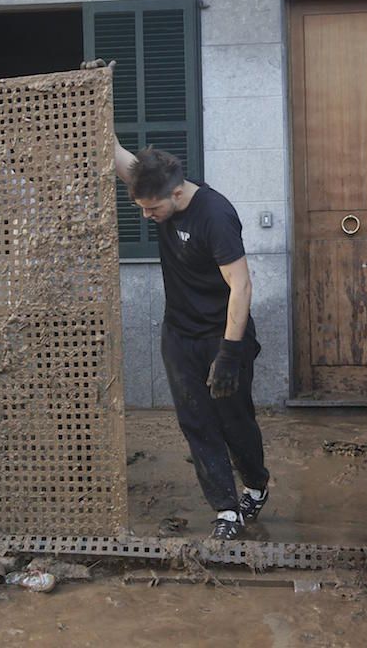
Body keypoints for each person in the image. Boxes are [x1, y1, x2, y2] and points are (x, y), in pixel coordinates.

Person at [114, 139, 271, 540]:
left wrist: (230, 354)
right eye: (142, 208)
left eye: (153, 209)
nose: (148, 217)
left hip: (223, 335)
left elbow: (241, 285)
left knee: (234, 421)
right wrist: (100, 91)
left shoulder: (215, 216)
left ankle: (255, 484)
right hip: (180, 334)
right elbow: (116, 154)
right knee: (196, 422)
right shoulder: (157, 188)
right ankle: (226, 509)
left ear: (178, 193)